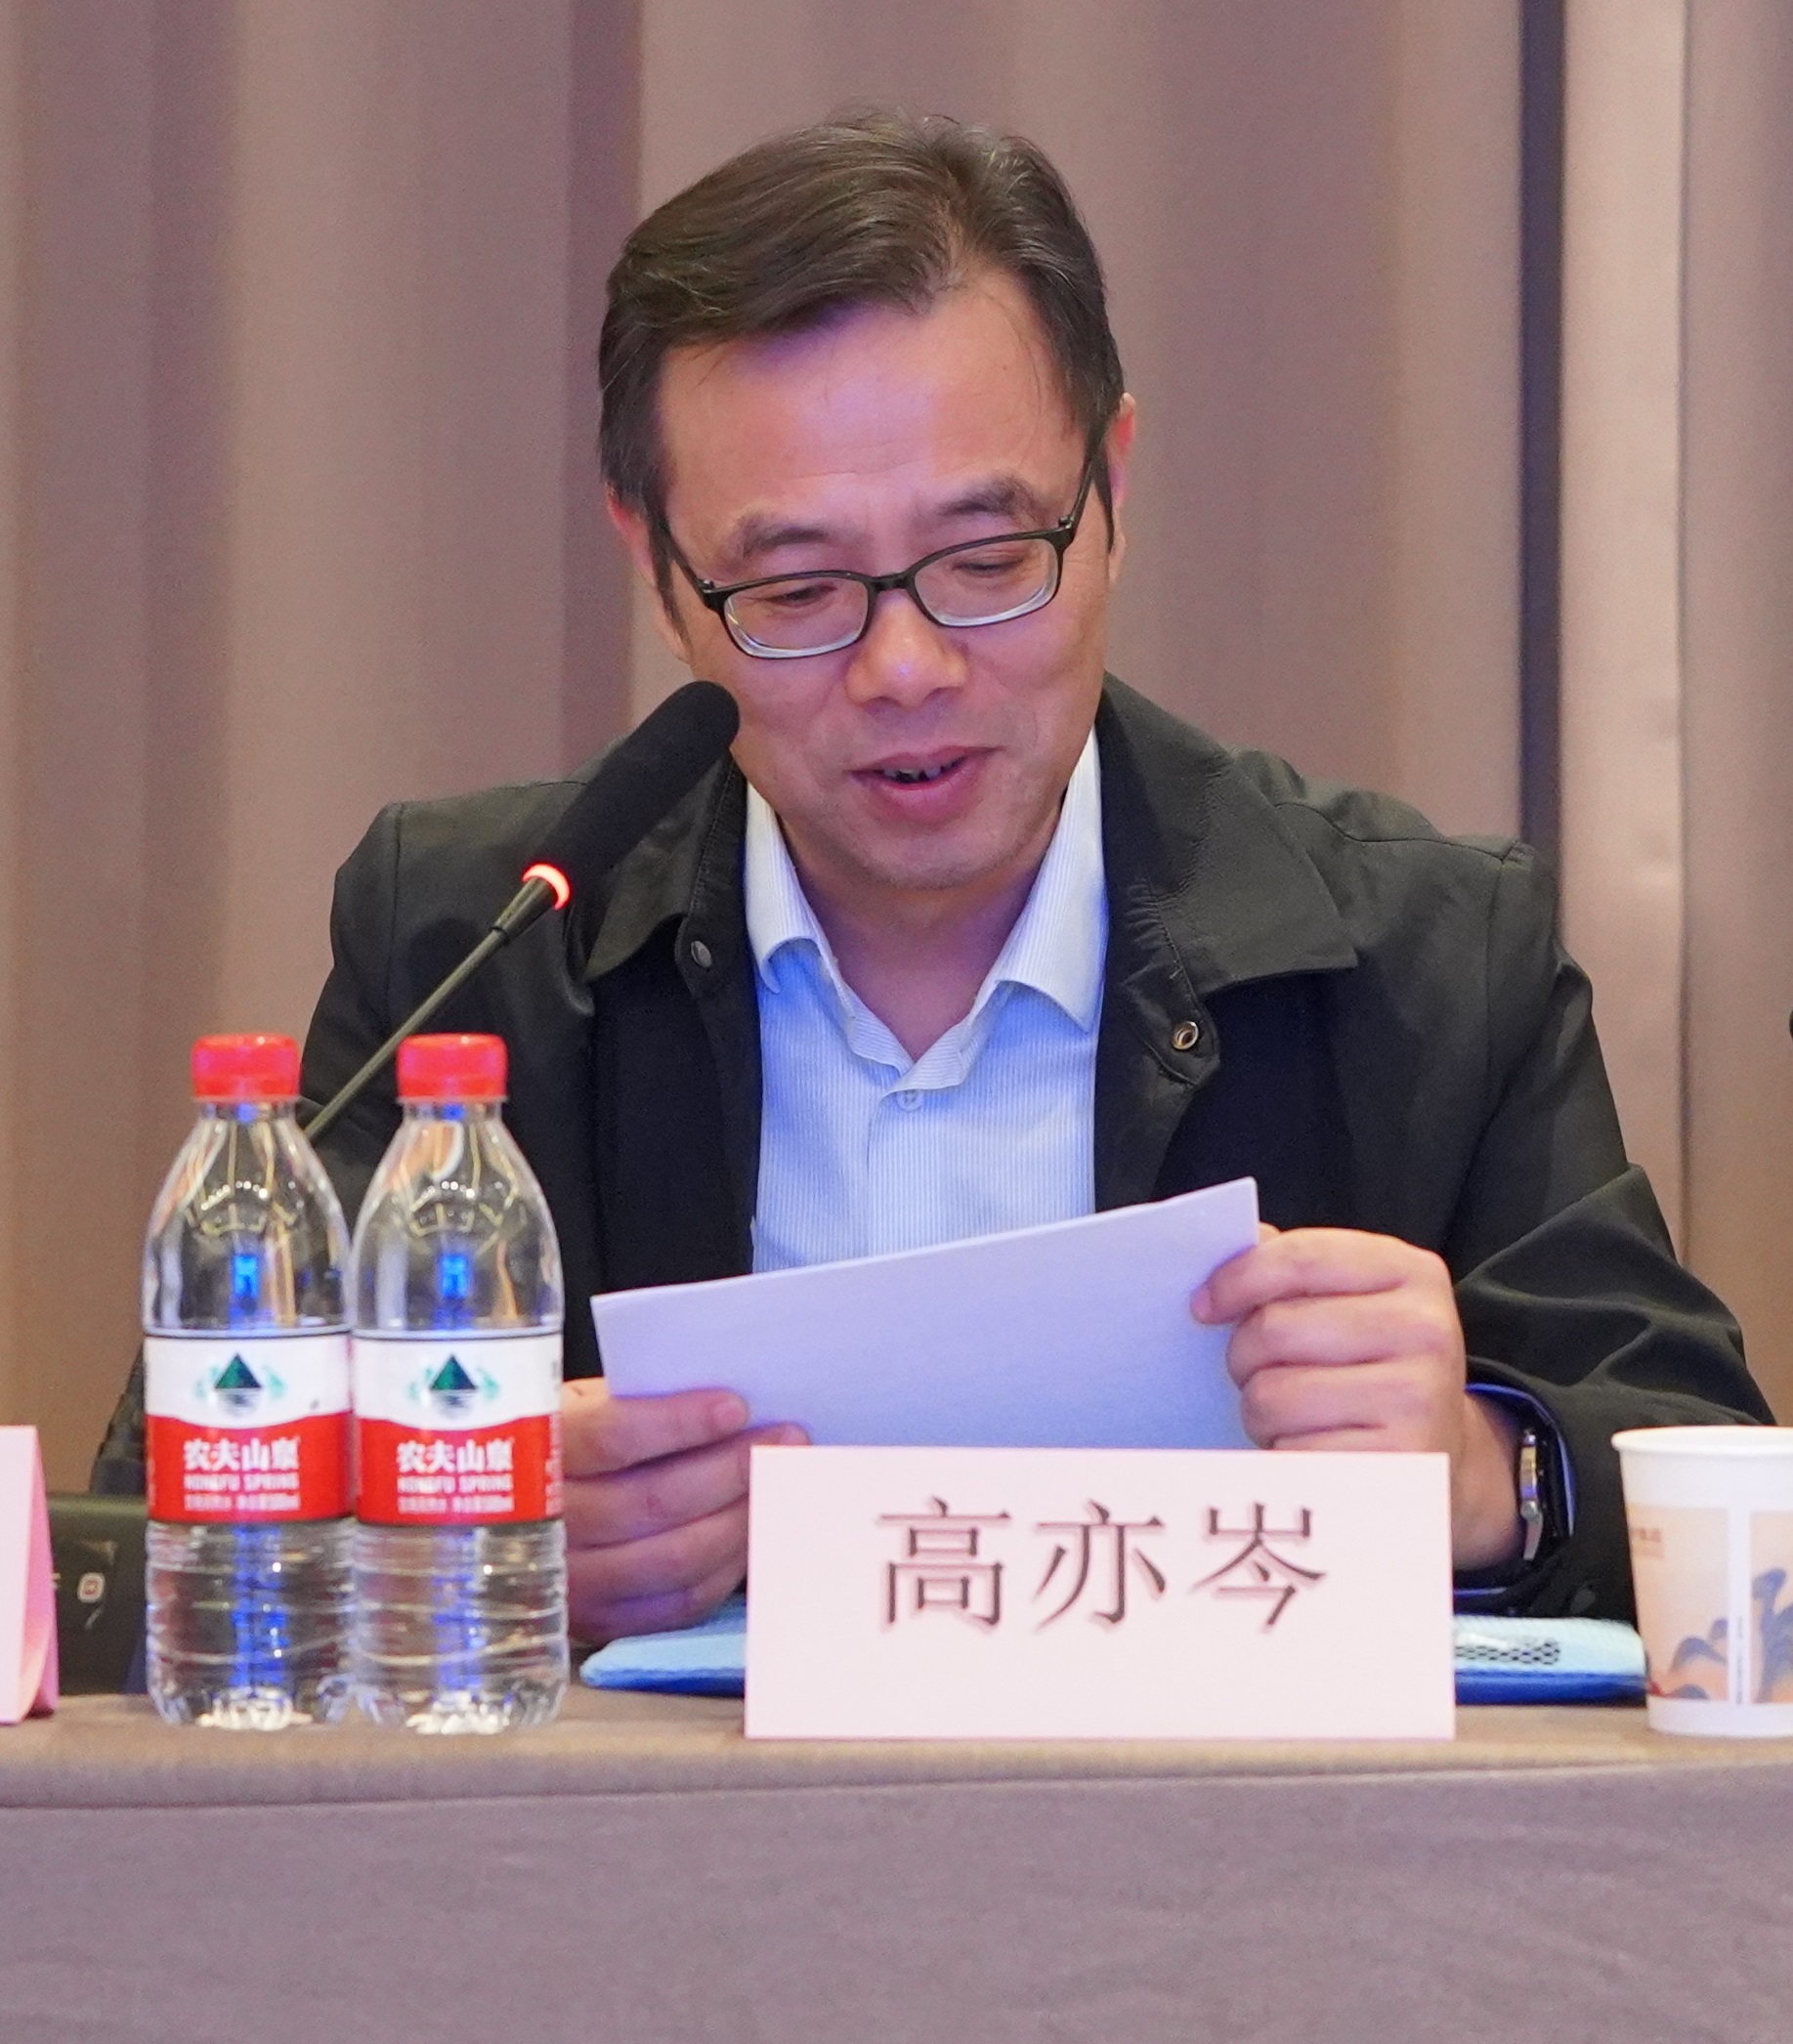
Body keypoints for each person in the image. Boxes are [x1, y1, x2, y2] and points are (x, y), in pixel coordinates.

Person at [95, 110, 1768, 1639]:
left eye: (985, 559)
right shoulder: (481, 942)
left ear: (1112, 489)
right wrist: (461, 1531)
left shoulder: (1423, 952)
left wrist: (1489, 1469)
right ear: (656, 567)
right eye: (797, 589)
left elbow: (1713, 1477)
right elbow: (141, 1522)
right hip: (651, 1863)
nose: (906, 668)